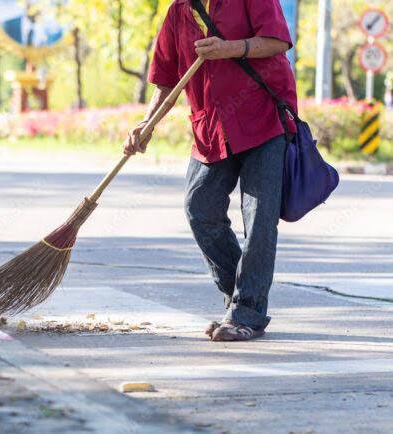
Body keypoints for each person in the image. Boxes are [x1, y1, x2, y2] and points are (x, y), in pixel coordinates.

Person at [124, 0, 297, 341]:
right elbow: (165, 82)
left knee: (260, 217)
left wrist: (229, 48)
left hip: (263, 121)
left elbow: (277, 41)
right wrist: (148, 124)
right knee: (200, 208)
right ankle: (244, 300)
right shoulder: (178, 12)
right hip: (212, 127)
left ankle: (246, 311)